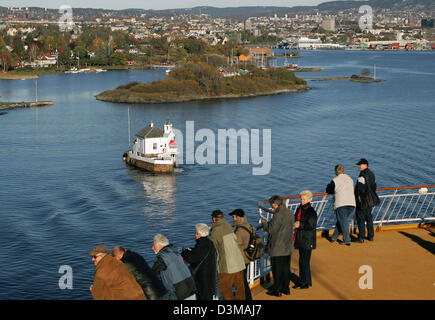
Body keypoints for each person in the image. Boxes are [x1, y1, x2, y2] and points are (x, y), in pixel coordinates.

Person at [260, 195, 294, 297]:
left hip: (277, 248)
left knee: (277, 270)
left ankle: (277, 290)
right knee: (285, 268)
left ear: (275, 204)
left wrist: (264, 224)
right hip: (287, 246)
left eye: (272, 205)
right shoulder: (289, 212)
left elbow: (271, 229)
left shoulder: (278, 215)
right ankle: (286, 288)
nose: (272, 207)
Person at [209, 209, 246, 300]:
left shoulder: (216, 230)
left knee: (225, 288)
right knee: (240, 289)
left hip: (227, 266)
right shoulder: (229, 226)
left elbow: (210, 246)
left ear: (214, 219)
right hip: (239, 262)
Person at [152, 234, 197, 300]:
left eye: (154, 245)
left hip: (179, 293)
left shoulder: (163, 257)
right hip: (190, 288)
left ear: (159, 245)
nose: (152, 248)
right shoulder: (175, 252)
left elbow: (151, 271)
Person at [181, 223, 217, 300]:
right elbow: (200, 254)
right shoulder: (209, 242)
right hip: (209, 275)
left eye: (196, 232)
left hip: (202, 277)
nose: (195, 234)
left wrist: (185, 253)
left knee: (203, 296)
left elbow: (192, 258)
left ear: (198, 234)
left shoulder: (202, 244)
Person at [326, 164, 356, 246]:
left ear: (335, 172)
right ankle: (334, 237)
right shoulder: (350, 179)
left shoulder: (335, 180)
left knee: (343, 221)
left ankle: (347, 240)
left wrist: (329, 186)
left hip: (341, 203)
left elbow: (329, 190)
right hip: (352, 203)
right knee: (342, 220)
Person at [293, 190, 318, 289]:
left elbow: (312, 225)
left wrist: (300, 225)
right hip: (301, 238)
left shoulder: (311, 211)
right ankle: (306, 281)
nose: (302, 201)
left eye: (304, 199)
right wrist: (296, 223)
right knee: (303, 261)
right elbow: (296, 218)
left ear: (309, 200)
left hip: (307, 240)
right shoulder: (299, 209)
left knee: (304, 261)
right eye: (301, 199)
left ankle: (304, 283)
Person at [230, 208, 253, 300]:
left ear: (238, 217)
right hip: (246, 257)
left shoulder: (239, 230)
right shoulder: (247, 225)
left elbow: (236, 243)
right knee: (242, 281)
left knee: (241, 282)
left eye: (234, 217)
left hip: (241, 259)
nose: (233, 219)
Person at [354, 158, 380, 243]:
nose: (358, 166)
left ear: (365, 165)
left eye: (360, 165)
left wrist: (356, 199)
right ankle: (371, 236)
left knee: (360, 219)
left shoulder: (362, 175)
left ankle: (361, 237)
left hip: (363, 201)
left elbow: (359, 190)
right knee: (369, 218)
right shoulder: (372, 174)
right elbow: (374, 186)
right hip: (370, 200)